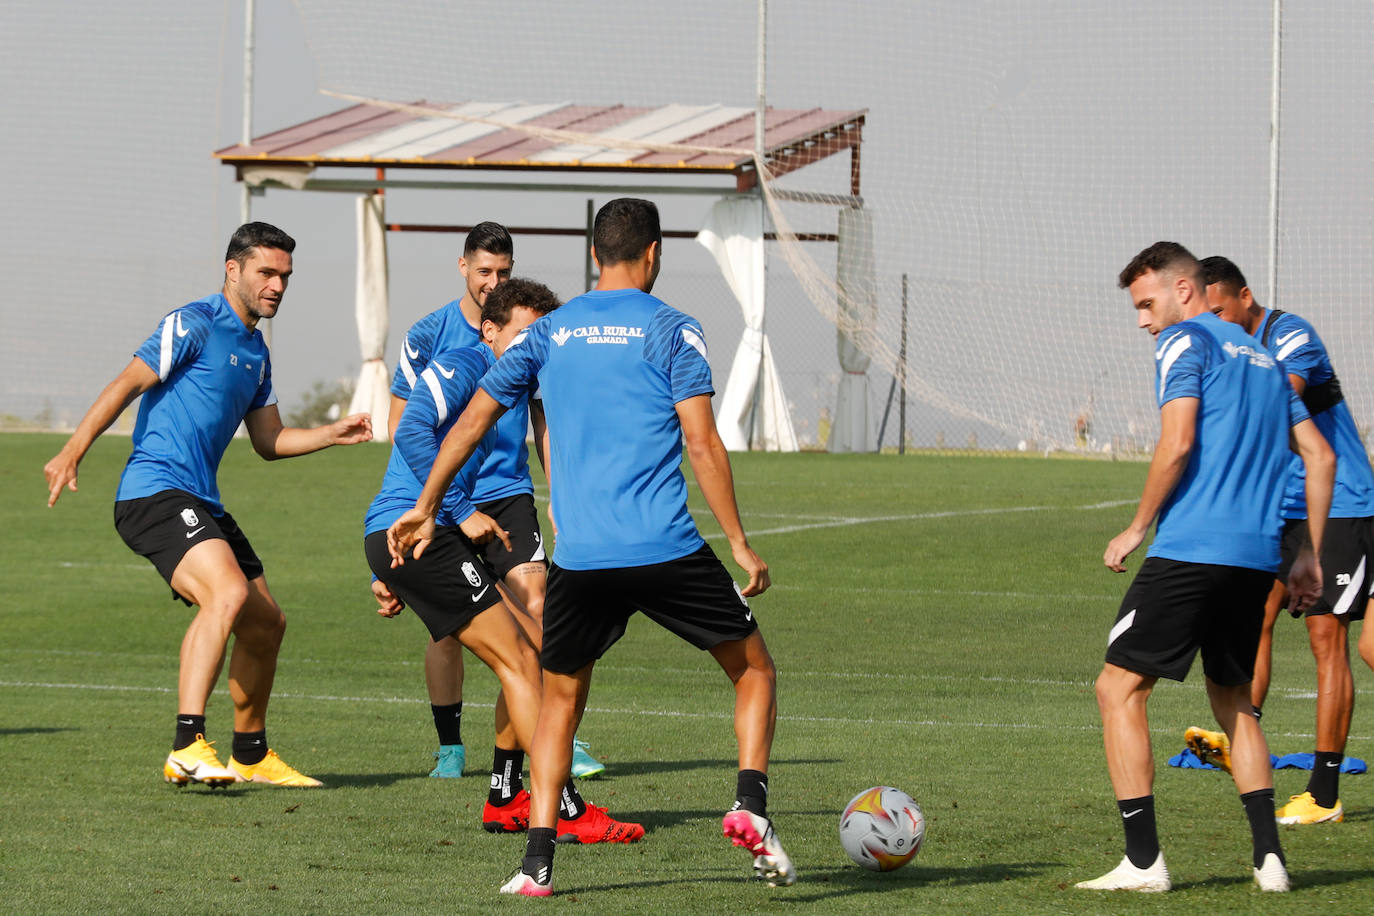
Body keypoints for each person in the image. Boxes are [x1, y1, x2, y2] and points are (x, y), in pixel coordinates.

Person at [387, 198, 791, 897]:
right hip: (666, 547)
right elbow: (701, 441)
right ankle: (749, 804)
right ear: (654, 253)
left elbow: (472, 422)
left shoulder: (546, 333)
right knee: (753, 670)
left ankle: (536, 866)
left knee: (559, 703)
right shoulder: (673, 328)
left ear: (595, 255)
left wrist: (426, 508)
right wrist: (739, 543)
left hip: (581, 560)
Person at [43, 222, 373, 788]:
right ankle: (186, 744)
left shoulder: (257, 351)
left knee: (267, 624)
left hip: (200, 499)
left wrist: (328, 433)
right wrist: (73, 451)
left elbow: (269, 441)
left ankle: (250, 754)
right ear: (233, 270)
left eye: (285, 277)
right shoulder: (194, 322)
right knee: (226, 591)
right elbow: (126, 383)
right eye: (266, 273)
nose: (277, 286)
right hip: (153, 491)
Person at [1078, 241, 1333, 894]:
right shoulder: (1269, 362)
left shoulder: (1186, 343)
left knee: (1118, 690)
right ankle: (1270, 861)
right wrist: (1304, 553)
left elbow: (1179, 439)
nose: (1143, 321)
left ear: (1183, 290)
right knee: (1234, 702)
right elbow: (1316, 456)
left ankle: (1143, 862)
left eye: (1146, 303)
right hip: (1254, 559)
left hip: (1191, 549)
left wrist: (1137, 526)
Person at [365, 278, 640, 841]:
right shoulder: (464, 363)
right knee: (520, 659)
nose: (532, 344)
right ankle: (562, 805)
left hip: (424, 536)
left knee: (535, 651)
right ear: (489, 331)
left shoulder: (520, 381)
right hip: (421, 532)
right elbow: (410, 432)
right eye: (522, 333)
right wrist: (461, 511)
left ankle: (505, 796)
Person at [387, 222, 603, 780]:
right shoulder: (431, 335)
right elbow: (402, 430)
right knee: (450, 629)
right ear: (464, 267)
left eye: (504, 272)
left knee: (538, 608)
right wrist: (415, 516)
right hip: (449, 499)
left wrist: (559, 496)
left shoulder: (526, 329)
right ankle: (450, 748)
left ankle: (552, 737)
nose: (494, 280)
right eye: (485, 271)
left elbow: (542, 416)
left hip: (508, 495)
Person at [1182, 255, 1374, 826]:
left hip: (1337, 504)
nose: (1215, 320)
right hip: (1280, 509)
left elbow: (1272, 401)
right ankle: (1243, 736)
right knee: (1252, 614)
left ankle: (1322, 792)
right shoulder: (1227, 344)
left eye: (1220, 310)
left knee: (1330, 639)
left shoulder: (1290, 334)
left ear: (1245, 296)